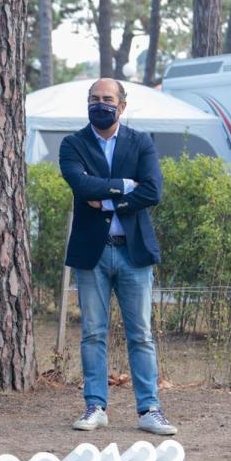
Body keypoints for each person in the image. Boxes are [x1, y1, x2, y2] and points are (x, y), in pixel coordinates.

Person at [58, 77, 176, 436]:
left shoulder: (140, 142)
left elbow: (153, 190)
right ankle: (95, 405)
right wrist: (126, 185)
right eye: (94, 98)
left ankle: (150, 409)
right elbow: (81, 185)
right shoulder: (72, 144)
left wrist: (108, 197)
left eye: (107, 98)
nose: (100, 104)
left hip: (133, 253)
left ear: (122, 105)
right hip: (91, 255)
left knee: (141, 334)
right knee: (93, 333)